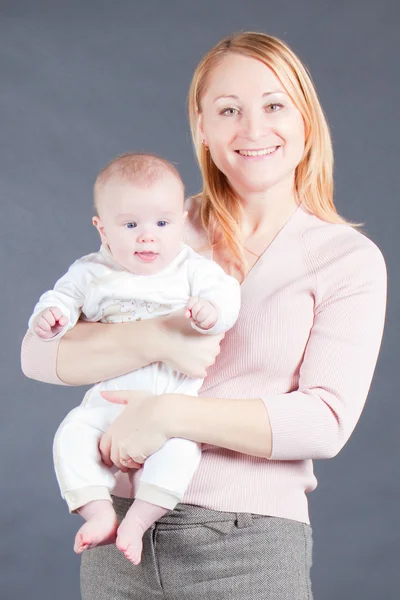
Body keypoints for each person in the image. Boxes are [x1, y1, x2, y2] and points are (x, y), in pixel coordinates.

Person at [21, 32, 387, 600]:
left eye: (273, 106)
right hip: (119, 538)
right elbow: (39, 354)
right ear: (201, 129)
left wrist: (169, 415)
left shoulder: (345, 259)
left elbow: (324, 421)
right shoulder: (157, 228)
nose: (253, 130)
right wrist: (162, 337)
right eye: (228, 111)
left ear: (306, 121)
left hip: (250, 546)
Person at [27, 152, 240, 565]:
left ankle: (138, 521)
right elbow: (62, 300)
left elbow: (225, 292)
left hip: (172, 405)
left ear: (180, 221)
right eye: (130, 225)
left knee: (180, 454)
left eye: (162, 224)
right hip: (107, 402)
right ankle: (98, 511)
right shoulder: (90, 272)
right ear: (101, 228)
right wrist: (51, 316)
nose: (148, 238)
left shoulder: (190, 268)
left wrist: (213, 311)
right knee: (71, 435)